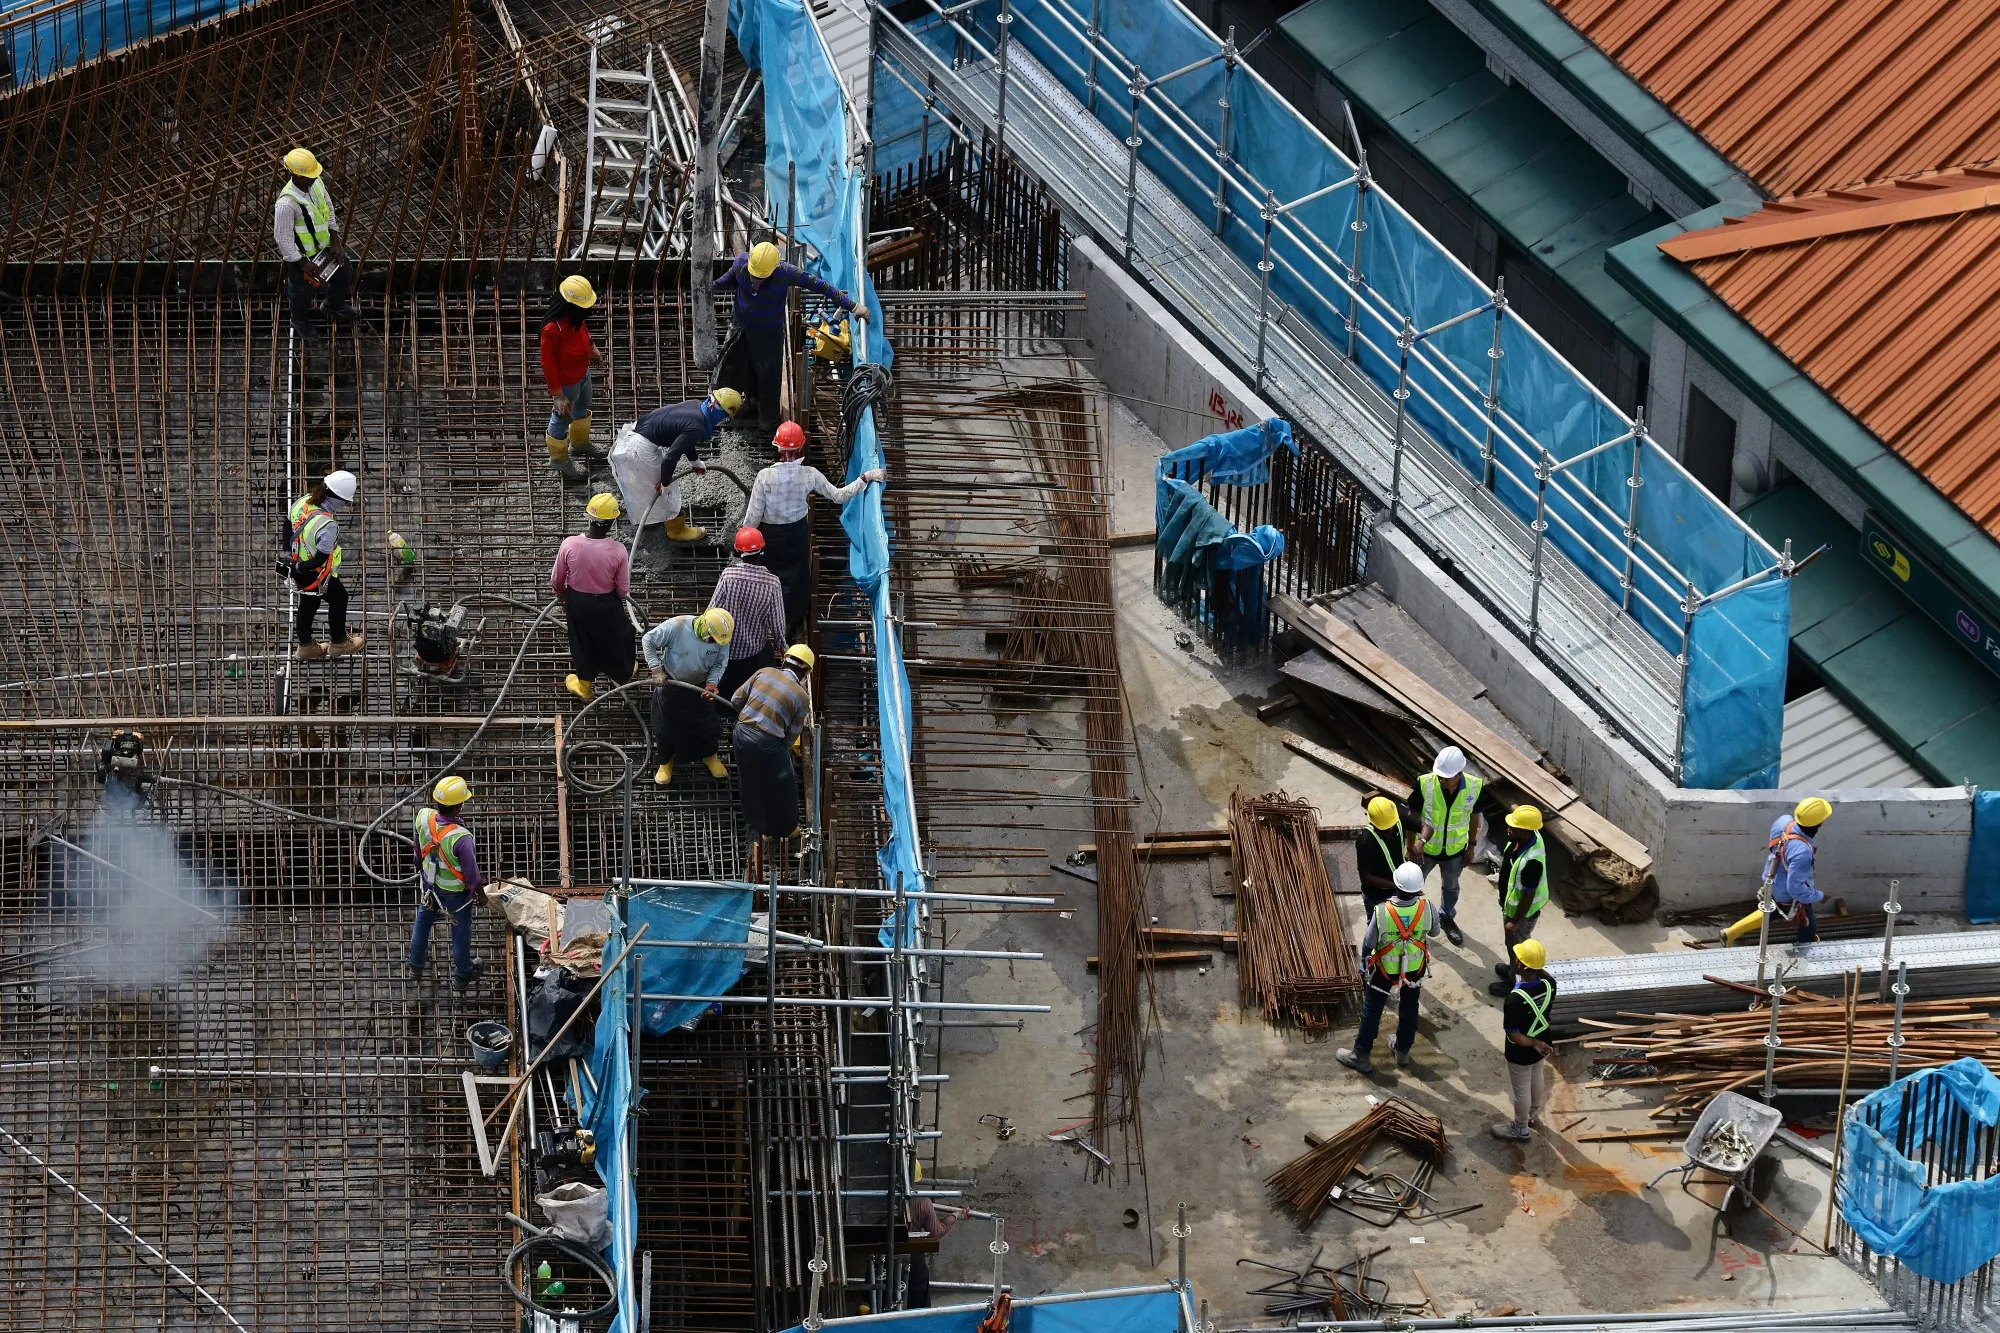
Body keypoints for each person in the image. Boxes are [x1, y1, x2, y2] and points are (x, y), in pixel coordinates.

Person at [713, 240, 869, 432]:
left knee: (768, 374)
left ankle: (766, 415)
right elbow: (725, 281)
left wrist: (852, 306)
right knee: (735, 365)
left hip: (768, 332)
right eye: (753, 277)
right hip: (741, 326)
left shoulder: (786, 273)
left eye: (761, 279)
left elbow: (821, 286)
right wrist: (706, 288)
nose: (755, 282)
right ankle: (745, 402)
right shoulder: (740, 264)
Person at [744, 420, 886, 629]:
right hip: (796, 534)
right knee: (796, 577)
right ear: (801, 447)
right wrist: (865, 478)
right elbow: (839, 496)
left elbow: (753, 517)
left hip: (770, 536)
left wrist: (744, 542)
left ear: (778, 447)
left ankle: (767, 617)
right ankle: (791, 618)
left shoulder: (764, 477)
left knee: (770, 575)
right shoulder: (810, 474)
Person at [610, 388, 742, 544]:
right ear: (722, 412)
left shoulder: (696, 406)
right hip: (639, 448)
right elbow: (670, 458)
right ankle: (676, 530)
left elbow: (685, 438)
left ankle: (653, 515)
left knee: (655, 482)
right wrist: (665, 483)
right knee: (666, 490)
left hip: (637, 432)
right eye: (726, 415)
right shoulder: (697, 426)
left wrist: (695, 462)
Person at [1335, 862, 1431, 1074]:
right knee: (1409, 1006)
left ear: (1396, 885)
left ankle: (1361, 1054)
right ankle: (1403, 1050)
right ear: (1418, 888)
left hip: (1384, 971)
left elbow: (1369, 943)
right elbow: (1433, 931)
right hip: (1414, 969)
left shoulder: (1382, 912)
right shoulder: (1427, 908)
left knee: (1373, 1007)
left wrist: (1366, 965)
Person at [1412, 745, 1500, 947]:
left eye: (1446, 777)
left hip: (1454, 850)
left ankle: (1446, 918)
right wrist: (1411, 846)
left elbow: (1474, 817)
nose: (1442, 780)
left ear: (1459, 773)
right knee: (1414, 886)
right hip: (1426, 848)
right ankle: (1414, 922)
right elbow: (1412, 815)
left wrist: (1471, 846)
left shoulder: (1474, 787)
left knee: (1451, 886)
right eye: (1440, 776)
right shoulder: (1425, 784)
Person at [550, 492, 635, 701]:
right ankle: (624, 672)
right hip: (607, 603)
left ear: (589, 517)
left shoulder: (568, 544)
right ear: (612, 521)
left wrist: (561, 596)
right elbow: (623, 591)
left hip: (577, 602)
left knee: (581, 641)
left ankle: (585, 688)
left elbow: (556, 580)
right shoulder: (618, 550)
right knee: (616, 637)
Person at [407, 775, 488, 993]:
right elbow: (471, 873)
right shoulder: (461, 837)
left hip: (429, 886)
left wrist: (418, 865)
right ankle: (463, 975)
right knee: (461, 933)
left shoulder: (423, 816)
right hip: (455, 896)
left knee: (422, 923)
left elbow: (417, 846)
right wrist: (480, 893)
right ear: (459, 805)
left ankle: (415, 966)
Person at [731, 644, 816, 839]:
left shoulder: (764, 672)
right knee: (782, 787)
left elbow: (736, 700)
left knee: (751, 780)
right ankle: (787, 828)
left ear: (784, 660)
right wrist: (776, 752)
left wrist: (754, 712)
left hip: (741, 734)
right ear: (805, 672)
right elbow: (791, 735)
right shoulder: (802, 697)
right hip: (767, 743)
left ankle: (759, 825)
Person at [273, 147, 357, 340]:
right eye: (309, 176)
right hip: (303, 258)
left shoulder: (316, 182)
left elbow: (327, 207)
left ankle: (333, 306)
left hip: (325, 247)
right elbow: (283, 238)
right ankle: (299, 320)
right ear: (295, 174)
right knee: (301, 292)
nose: (313, 178)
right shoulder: (287, 204)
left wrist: (335, 241)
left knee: (344, 273)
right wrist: (302, 263)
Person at [644, 608, 734, 784]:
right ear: (703, 626)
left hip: (700, 688)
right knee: (665, 728)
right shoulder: (677, 626)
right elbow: (648, 640)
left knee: (708, 726)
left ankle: (710, 756)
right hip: (671, 683)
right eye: (711, 639)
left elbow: (719, 663)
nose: (713, 643)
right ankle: (666, 762)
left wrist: (712, 683)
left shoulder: (721, 637)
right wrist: (656, 670)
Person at [288, 469, 363, 660]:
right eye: (345, 501)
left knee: (308, 602)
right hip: (314, 571)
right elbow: (321, 558)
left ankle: (305, 646)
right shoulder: (328, 524)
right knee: (339, 598)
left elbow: (286, 523)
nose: (345, 505)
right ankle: (339, 642)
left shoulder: (304, 501)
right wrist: (299, 568)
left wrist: (290, 557)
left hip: (298, 564)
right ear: (338, 497)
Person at [540, 276, 606, 482]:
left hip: (582, 373)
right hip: (566, 383)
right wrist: (557, 395)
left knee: (582, 408)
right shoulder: (551, 330)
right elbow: (547, 364)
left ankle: (579, 444)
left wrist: (592, 349)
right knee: (561, 420)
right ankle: (559, 458)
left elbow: (584, 333)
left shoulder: (576, 318)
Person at [710, 527, 788, 698]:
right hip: (754, 651)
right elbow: (777, 625)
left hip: (725, 648)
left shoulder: (728, 575)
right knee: (753, 690)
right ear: (762, 549)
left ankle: (723, 710)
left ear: (738, 550)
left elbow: (712, 611)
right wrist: (782, 647)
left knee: (724, 691)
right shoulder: (772, 583)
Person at [1492, 938, 1556, 1142]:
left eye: (1518, 959)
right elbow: (1541, 973)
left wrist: (1533, 1043)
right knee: (1537, 1076)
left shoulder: (1514, 1000)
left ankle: (1520, 1128)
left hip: (1523, 1050)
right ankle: (1532, 1116)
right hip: (1543, 1041)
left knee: (1521, 1090)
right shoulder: (1550, 984)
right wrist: (1538, 1043)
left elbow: (1515, 1036)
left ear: (1521, 965)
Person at [1487, 806, 1549, 996]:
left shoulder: (1532, 862)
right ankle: (1512, 969)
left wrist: (1515, 921)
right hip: (1511, 908)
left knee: (1519, 950)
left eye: (1513, 827)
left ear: (1525, 831)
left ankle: (1516, 986)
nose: (1508, 829)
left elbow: (1528, 896)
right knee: (1512, 946)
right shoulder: (1524, 839)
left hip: (1520, 914)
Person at [1765, 796, 1830, 945]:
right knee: (1808, 927)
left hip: (1771, 878)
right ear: (1821, 822)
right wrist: (1820, 896)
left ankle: (1735, 931)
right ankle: (1803, 953)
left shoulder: (1783, 821)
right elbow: (1795, 890)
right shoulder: (1802, 852)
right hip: (1786, 896)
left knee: (1771, 910)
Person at [1357, 795, 1406, 915]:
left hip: (1398, 889)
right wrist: (1398, 886)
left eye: (1391, 824)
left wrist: (1418, 844)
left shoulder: (1395, 816)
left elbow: (1423, 827)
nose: (1390, 828)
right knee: (1376, 928)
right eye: (1386, 827)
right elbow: (1366, 878)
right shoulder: (1365, 841)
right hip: (1376, 896)